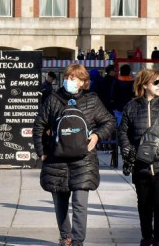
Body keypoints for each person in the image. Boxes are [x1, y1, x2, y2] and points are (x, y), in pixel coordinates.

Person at [32, 64, 115, 246]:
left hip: (83, 160)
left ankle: (77, 240)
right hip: (57, 160)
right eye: (68, 77)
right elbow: (38, 125)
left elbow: (109, 121)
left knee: (80, 203)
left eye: (74, 78)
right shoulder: (53, 99)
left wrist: (97, 135)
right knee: (60, 203)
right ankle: (66, 236)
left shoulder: (92, 100)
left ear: (83, 82)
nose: (70, 81)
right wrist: (41, 153)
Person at [118, 69, 159, 246]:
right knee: (144, 204)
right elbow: (123, 132)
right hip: (141, 164)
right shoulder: (131, 106)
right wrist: (128, 150)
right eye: (156, 82)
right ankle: (146, 237)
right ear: (144, 84)